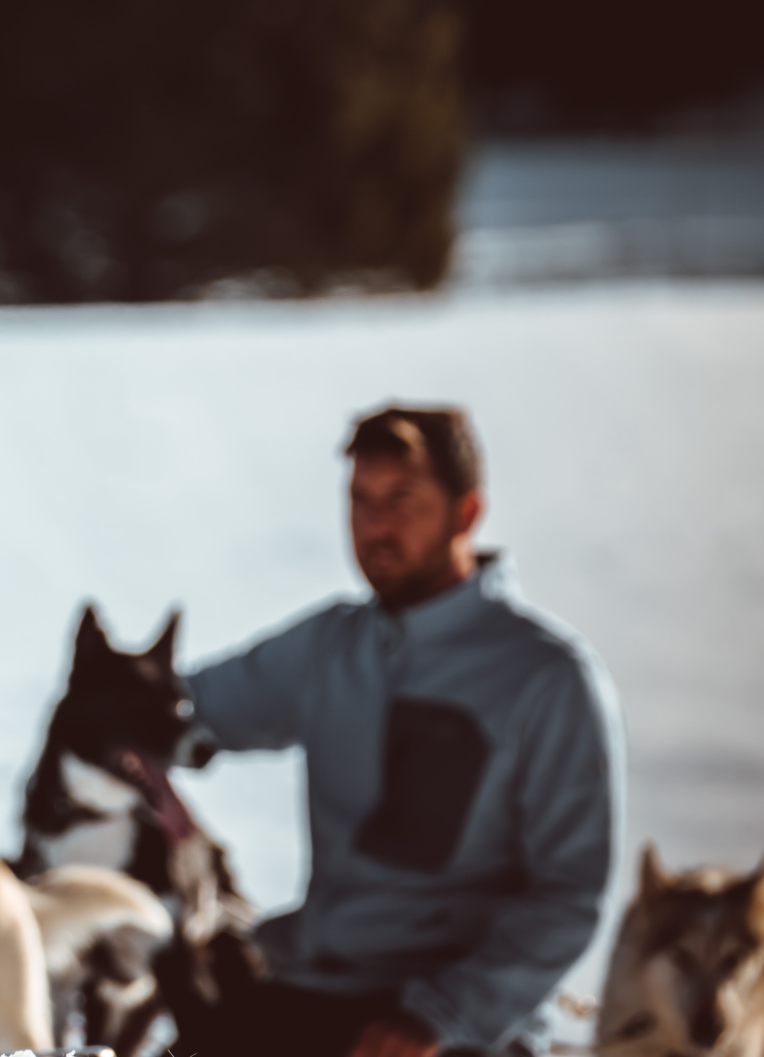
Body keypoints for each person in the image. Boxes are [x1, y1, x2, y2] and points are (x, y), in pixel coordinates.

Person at [184, 405, 620, 1057]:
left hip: (461, 1030)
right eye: (360, 500)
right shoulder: (331, 646)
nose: (374, 525)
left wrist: (442, 1016)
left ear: (467, 512)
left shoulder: (545, 678)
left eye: (401, 500)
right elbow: (181, 712)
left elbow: (569, 894)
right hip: (314, 990)